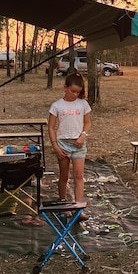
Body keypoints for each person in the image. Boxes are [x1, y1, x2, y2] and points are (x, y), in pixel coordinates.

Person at [48, 73, 92, 207]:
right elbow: (51, 127)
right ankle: (63, 204)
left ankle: (79, 207)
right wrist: (55, 146)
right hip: (62, 144)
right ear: (65, 88)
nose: (75, 95)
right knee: (64, 176)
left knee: (79, 176)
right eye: (72, 91)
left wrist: (83, 136)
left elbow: (87, 123)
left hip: (78, 144)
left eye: (78, 92)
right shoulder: (57, 106)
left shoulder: (83, 104)